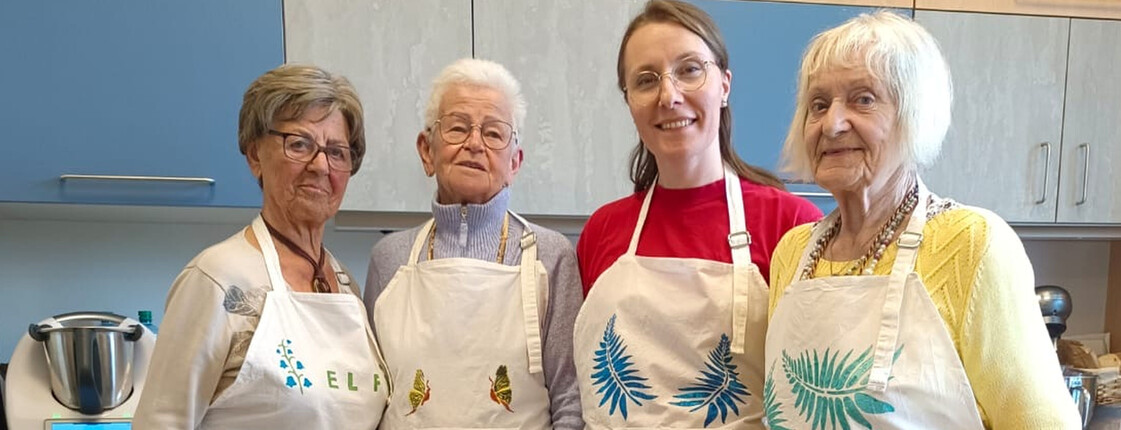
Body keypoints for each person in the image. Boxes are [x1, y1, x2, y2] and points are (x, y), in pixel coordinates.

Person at [764, 11, 1081, 429]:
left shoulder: (973, 244)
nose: (833, 124)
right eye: (818, 105)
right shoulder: (793, 253)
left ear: (914, 116)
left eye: (863, 99)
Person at [573, 1, 822, 427]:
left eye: (689, 70)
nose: (669, 96)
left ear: (724, 85)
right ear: (629, 101)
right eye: (646, 80)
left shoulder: (792, 225)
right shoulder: (602, 230)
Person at [133, 64, 388, 429]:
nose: (320, 165)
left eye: (336, 152)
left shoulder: (345, 284)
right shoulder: (217, 279)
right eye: (299, 144)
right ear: (255, 156)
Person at [364, 58, 583, 429]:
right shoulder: (390, 259)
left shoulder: (551, 256)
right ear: (426, 150)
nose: (474, 144)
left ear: (515, 162)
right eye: (457, 128)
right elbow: (372, 396)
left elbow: (571, 400)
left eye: (495, 133)